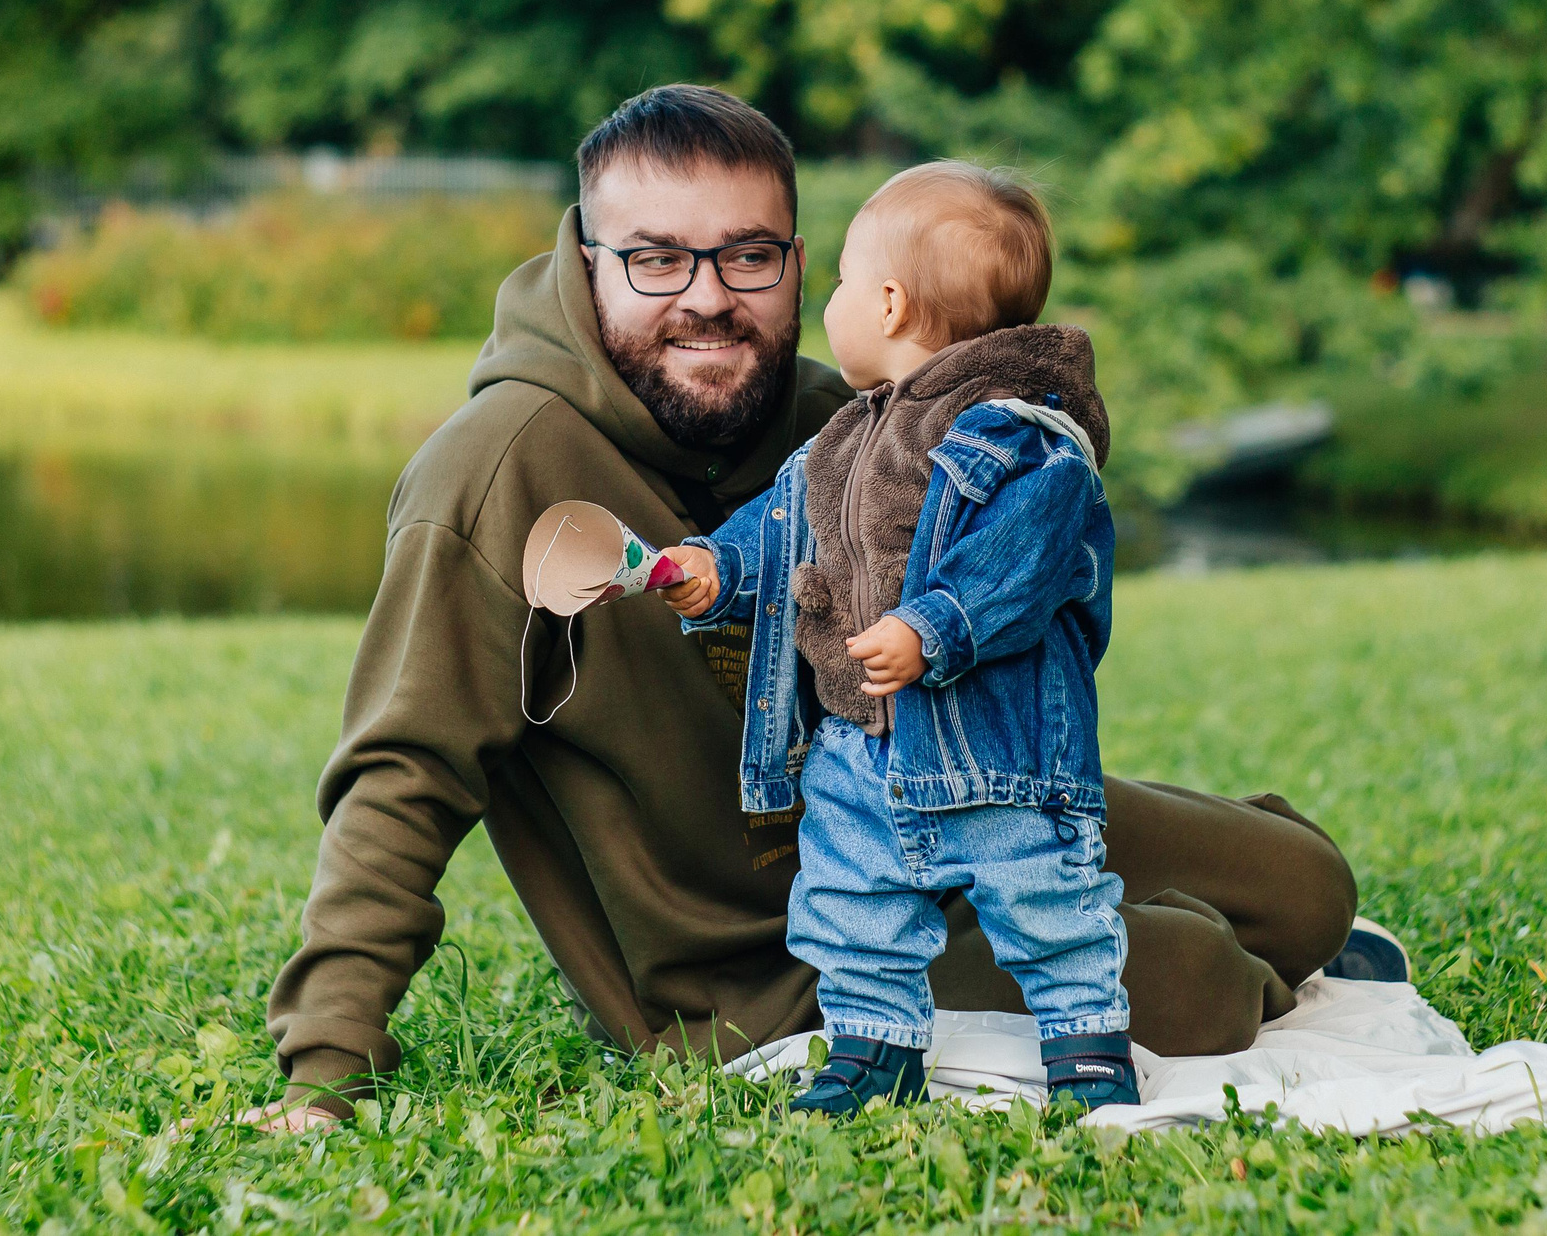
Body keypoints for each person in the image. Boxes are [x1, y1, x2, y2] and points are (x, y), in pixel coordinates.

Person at [251, 85, 1369, 1131]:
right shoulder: (495, 470)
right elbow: (402, 772)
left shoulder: (840, 416)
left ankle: (1155, 913)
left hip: (945, 800)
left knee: (1309, 888)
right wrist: (325, 1063)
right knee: (1196, 984)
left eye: (747, 257)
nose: (706, 297)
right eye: (654, 259)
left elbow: (1021, 525)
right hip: (765, 968)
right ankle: (1171, 953)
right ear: (587, 264)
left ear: (800, 264)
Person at [665, 163, 1141, 1113]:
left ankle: (1086, 1048)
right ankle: (873, 1049)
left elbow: (1027, 556)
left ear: (886, 301)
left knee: (1048, 903)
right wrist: (717, 568)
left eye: (839, 280)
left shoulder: (1020, 435)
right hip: (856, 745)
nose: (828, 300)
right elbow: (786, 522)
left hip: (992, 750)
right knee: (849, 907)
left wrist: (933, 627)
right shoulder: (846, 440)